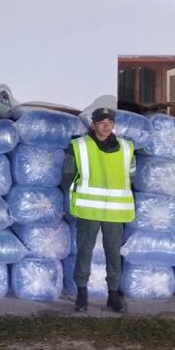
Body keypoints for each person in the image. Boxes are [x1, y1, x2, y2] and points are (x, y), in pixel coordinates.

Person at [61, 107, 136, 313]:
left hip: (114, 211)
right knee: (84, 252)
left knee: (113, 253)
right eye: (102, 122)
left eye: (110, 122)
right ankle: (81, 295)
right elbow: (68, 175)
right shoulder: (79, 146)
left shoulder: (126, 147)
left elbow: (131, 174)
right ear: (93, 124)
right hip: (89, 210)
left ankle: (113, 295)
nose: (106, 126)